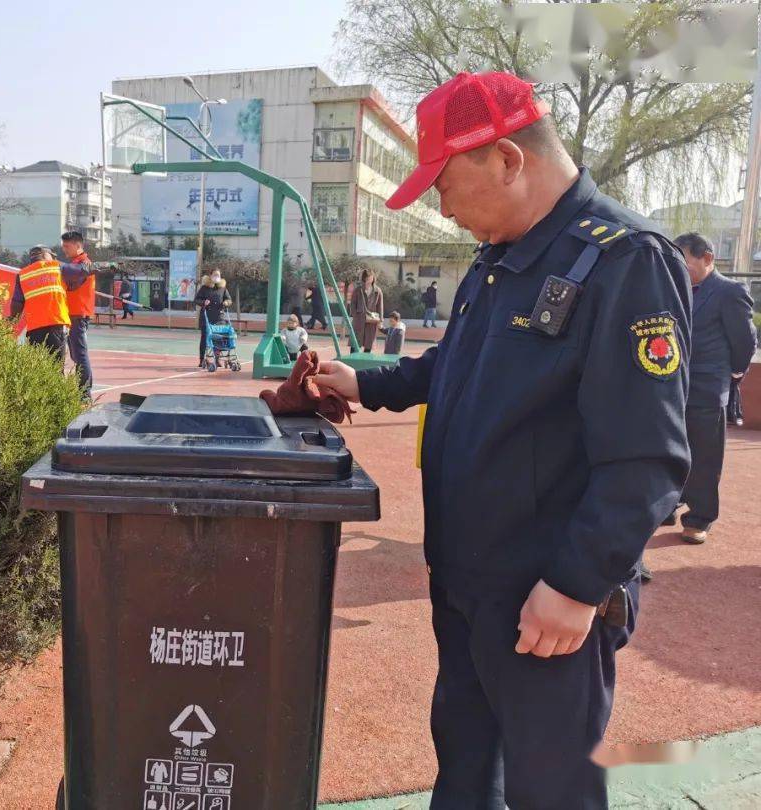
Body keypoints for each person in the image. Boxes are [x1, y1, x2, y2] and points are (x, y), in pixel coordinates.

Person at [314, 71, 690, 810]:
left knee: (552, 791)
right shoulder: (500, 260)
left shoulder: (624, 262)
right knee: (464, 773)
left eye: (444, 185)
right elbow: (455, 368)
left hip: (544, 602)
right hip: (467, 586)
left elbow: (647, 459)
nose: (441, 208)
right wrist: (362, 381)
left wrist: (578, 586)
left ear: (509, 160)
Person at [665, 232, 756, 544]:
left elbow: (744, 340)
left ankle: (699, 518)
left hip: (706, 386)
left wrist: (732, 374)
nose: (681, 269)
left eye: (686, 262)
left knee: (704, 456)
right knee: (667, 450)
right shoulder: (674, 288)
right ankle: (668, 504)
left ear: (707, 259)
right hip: (670, 386)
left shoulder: (729, 291)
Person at [9, 245, 92, 362]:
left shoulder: (23, 274)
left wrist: (13, 318)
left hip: (34, 328)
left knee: (36, 368)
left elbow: (17, 302)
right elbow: (82, 270)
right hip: (56, 324)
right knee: (57, 367)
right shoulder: (57, 267)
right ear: (45, 255)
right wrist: (91, 263)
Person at [61, 230, 95, 400]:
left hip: (78, 314)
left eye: (67, 246)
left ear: (78, 245)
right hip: (72, 315)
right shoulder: (75, 262)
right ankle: (82, 391)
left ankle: (85, 393)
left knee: (80, 355)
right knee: (76, 354)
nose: (64, 249)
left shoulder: (83, 263)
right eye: (63, 246)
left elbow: (71, 272)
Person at [195, 271, 232, 368]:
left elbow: (229, 299)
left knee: (218, 338)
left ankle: (217, 359)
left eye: (218, 275)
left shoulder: (222, 288)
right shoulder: (204, 288)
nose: (216, 277)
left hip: (219, 317)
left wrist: (226, 303)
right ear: (210, 276)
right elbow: (196, 300)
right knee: (204, 338)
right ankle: (202, 359)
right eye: (214, 275)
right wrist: (204, 302)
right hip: (206, 317)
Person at [349, 268, 384, 353]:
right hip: (359, 319)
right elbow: (353, 303)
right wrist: (355, 314)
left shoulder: (377, 291)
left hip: (372, 320)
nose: (369, 280)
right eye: (367, 278)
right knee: (355, 342)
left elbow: (380, 306)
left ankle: (365, 363)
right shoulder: (358, 290)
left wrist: (380, 320)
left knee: (369, 343)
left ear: (373, 278)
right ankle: (353, 360)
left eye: (370, 277)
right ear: (364, 278)